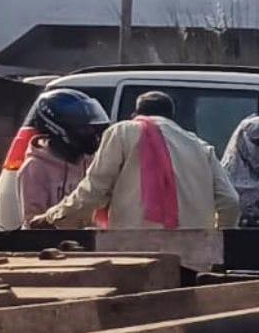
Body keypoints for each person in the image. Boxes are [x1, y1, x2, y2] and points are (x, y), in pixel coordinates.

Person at [31, 91, 239, 230]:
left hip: (136, 252)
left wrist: (53, 218)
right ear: (171, 117)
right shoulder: (200, 146)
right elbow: (230, 201)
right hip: (194, 257)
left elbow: (94, 191)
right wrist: (217, 242)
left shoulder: (124, 131)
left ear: (135, 114)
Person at [8, 89, 107, 227]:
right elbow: (34, 222)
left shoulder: (91, 160)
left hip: (92, 240)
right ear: (58, 129)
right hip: (55, 243)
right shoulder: (35, 168)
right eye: (83, 128)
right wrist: (63, 216)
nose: (91, 133)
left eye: (91, 128)